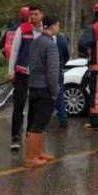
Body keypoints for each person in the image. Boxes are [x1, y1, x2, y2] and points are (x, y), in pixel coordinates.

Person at [24, 15, 61, 168]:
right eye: (58, 25)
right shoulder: (50, 45)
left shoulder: (36, 41)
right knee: (38, 124)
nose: (59, 28)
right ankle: (31, 157)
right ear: (52, 26)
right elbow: (53, 72)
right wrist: (55, 91)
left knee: (38, 122)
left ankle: (39, 152)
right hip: (45, 88)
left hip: (33, 86)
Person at [8, 6, 44, 151]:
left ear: (42, 15)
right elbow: (15, 50)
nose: (33, 17)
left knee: (35, 107)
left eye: (36, 14)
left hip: (38, 75)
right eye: (31, 14)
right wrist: (11, 71)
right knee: (19, 105)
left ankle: (30, 134)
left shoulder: (44, 32)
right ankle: (15, 136)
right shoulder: (22, 30)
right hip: (22, 72)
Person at [78, 2, 98, 131]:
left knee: (96, 96)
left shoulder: (93, 27)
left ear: (95, 12)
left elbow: (82, 44)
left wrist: (86, 52)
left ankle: (96, 123)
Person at [53, 30, 70, 128]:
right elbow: (66, 55)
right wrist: (61, 63)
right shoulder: (61, 38)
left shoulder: (43, 38)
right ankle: (63, 118)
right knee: (59, 93)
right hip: (58, 69)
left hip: (46, 70)